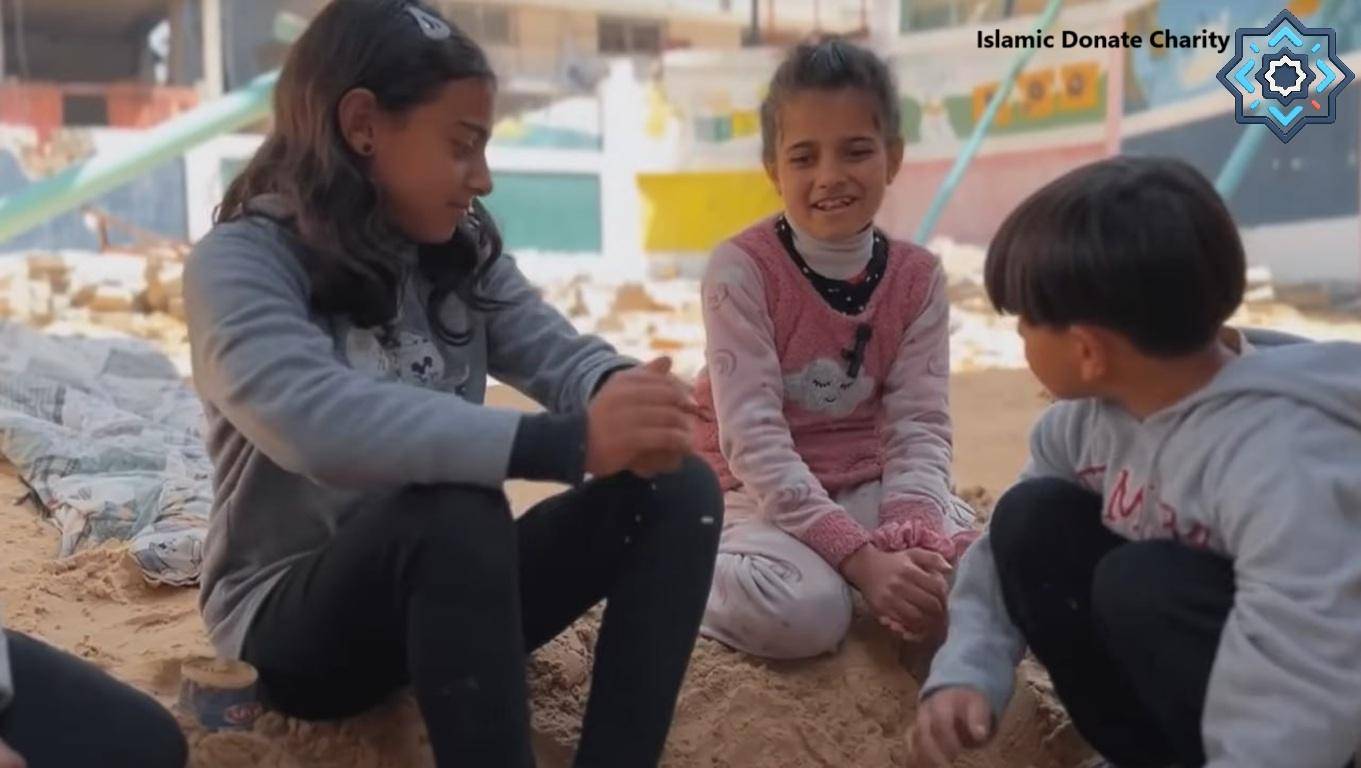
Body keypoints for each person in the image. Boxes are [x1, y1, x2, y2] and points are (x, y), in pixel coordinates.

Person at [183, 3, 722, 765]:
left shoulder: (457, 253)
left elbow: (556, 352)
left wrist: (631, 396)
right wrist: (567, 442)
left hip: (457, 600)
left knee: (680, 491)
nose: (484, 177)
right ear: (364, 124)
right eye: (462, 146)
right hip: (297, 628)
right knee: (452, 505)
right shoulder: (241, 264)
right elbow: (311, 421)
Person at [912, 156, 1361, 768]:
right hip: (1210, 669)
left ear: (1089, 350)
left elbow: (1307, 655)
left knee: (1142, 585)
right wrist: (966, 668)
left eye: (1023, 325)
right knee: (1029, 518)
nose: (1020, 340)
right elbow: (997, 554)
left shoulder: (1278, 456)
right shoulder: (1089, 421)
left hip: (1322, 707)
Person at [694, 37, 977, 661]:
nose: (829, 177)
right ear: (774, 169)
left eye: (855, 151)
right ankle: (689, 565)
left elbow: (920, 426)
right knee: (809, 614)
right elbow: (754, 443)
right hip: (758, 490)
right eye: (803, 157)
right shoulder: (741, 271)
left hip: (868, 478)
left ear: (892, 157)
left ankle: (855, 570)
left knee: (973, 588)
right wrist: (864, 563)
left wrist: (912, 532)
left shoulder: (918, 277)